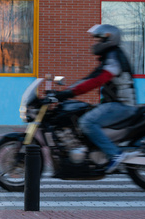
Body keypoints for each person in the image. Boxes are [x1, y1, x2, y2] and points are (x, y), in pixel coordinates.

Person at [54, 24, 137, 173]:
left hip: (122, 106)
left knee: (87, 122)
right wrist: (65, 92)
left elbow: (97, 80)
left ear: (108, 39)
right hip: (115, 104)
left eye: (98, 40)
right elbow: (90, 77)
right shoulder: (109, 57)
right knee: (81, 112)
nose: (96, 44)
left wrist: (69, 93)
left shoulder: (114, 57)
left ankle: (115, 155)